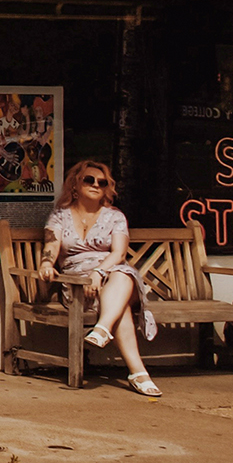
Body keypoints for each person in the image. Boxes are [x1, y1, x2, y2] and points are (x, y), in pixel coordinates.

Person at [47, 160, 160, 397]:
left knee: (122, 272)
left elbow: (118, 254)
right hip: (78, 287)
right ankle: (136, 371)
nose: (96, 185)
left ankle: (103, 329)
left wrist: (98, 272)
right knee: (121, 308)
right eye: (89, 179)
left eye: (102, 182)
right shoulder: (60, 216)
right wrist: (46, 263)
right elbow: (51, 247)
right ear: (75, 184)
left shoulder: (115, 217)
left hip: (111, 275)